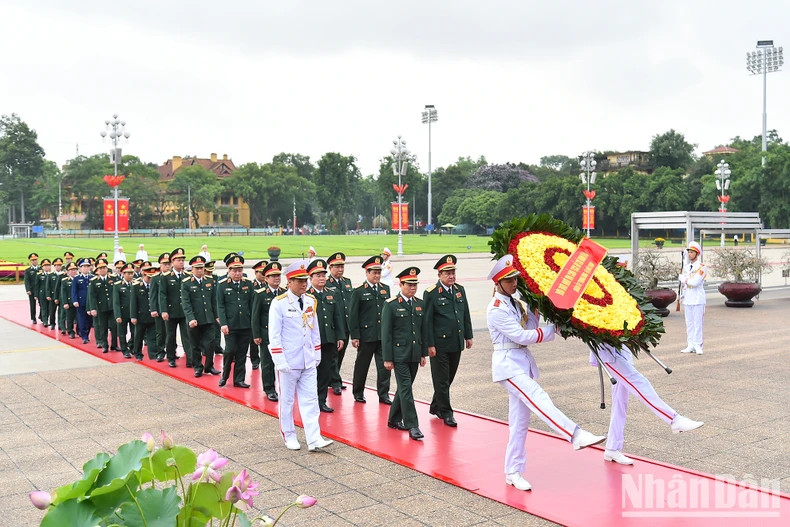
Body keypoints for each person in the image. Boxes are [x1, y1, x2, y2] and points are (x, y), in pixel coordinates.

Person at [486, 255, 606, 492]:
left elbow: (529, 327)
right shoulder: (496, 309)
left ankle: (513, 471)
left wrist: (535, 308)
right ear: (497, 283)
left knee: (519, 423)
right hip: (508, 365)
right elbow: (521, 336)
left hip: (521, 363)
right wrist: (552, 329)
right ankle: (575, 435)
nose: (514, 283)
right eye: (509, 280)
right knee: (538, 398)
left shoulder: (515, 303)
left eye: (515, 279)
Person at [591, 343, 704, 465]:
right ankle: (674, 419)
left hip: (620, 349)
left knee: (620, 401)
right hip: (607, 351)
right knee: (639, 382)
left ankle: (612, 448)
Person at [268, 260, 333, 452]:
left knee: (311, 400)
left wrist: (316, 353)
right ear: (289, 282)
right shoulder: (279, 303)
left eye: (305, 280)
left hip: (308, 359)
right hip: (288, 360)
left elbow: (314, 329)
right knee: (287, 401)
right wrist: (279, 360)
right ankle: (289, 435)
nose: (304, 284)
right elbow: (274, 335)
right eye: (299, 280)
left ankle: (314, 438)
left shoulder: (311, 301)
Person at [423, 255, 474, 427]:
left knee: (448, 378)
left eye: (453, 273)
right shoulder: (431, 293)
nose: (451, 276)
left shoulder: (460, 290)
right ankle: (446, 413)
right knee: (442, 380)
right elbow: (427, 322)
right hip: (440, 345)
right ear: (439, 275)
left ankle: (436, 406)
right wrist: (429, 344)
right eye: (447, 273)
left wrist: (468, 335)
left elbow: (465, 314)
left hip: (456, 342)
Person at [382, 267, 428, 440]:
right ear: (400, 285)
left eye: (415, 284)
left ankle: (394, 419)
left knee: (404, 389)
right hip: (399, 354)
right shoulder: (391, 305)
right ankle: (412, 425)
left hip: (414, 354)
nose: (413, 288)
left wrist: (423, 353)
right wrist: (387, 358)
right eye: (409, 285)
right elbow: (386, 334)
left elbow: (422, 331)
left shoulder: (419, 303)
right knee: (406, 388)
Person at [349, 255, 392, 404]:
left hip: (382, 336)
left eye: (379, 272)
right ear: (367, 273)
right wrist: (355, 335)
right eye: (374, 272)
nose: (377, 275)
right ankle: (358, 392)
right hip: (366, 335)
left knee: (384, 367)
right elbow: (353, 315)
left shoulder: (385, 289)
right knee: (362, 365)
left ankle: (384, 394)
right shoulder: (359, 291)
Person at [306, 259, 345, 413]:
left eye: (323, 275)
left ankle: (321, 401)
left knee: (325, 372)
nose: (322, 278)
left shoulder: (331, 293)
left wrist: (340, 336)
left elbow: (338, 316)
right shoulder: (306, 296)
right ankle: (309, 400)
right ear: (311, 278)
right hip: (311, 341)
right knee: (310, 373)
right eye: (318, 275)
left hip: (328, 339)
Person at [216, 254, 253, 388]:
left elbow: (252, 304)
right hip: (230, 325)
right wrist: (223, 323)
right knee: (229, 351)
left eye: (240, 270)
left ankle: (239, 379)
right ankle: (225, 375)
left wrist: (252, 323)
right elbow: (220, 306)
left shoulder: (248, 284)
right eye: (235, 271)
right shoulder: (222, 285)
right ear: (229, 270)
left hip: (245, 324)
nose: (237, 273)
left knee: (242, 353)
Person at [182, 255, 220, 377]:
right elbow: (186, 303)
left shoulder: (209, 281)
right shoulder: (186, 283)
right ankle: (198, 367)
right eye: (197, 268)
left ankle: (209, 366)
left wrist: (217, 316)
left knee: (210, 344)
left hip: (208, 318)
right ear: (192, 269)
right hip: (195, 319)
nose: (199, 270)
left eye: (201, 268)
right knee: (195, 345)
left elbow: (214, 301)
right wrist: (190, 318)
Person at [252, 261, 284, 401]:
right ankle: (269, 388)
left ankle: (284, 387)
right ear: (266, 278)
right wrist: (256, 334)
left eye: (278, 275)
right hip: (266, 334)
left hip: (282, 334)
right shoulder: (260, 294)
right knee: (267, 363)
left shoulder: (284, 293)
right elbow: (255, 316)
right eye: (273, 276)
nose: (276, 278)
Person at [159, 248, 193, 368]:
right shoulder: (166, 277)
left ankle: (190, 359)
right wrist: (164, 310)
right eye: (178, 260)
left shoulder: (187, 276)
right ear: (172, 262)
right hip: (171, 311)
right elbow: (162, 295)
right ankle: (171, 357)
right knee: (170, 336)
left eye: (182, 260)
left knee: (187, 336)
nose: (181, 262)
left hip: (184, 312)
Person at [679, 241, 707, 355]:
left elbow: (695, 282)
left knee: (698, 323)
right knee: (689, 323)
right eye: (689, 252)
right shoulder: (686, 267)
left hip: (697, 298)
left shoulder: (702, 267)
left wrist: (684, 279)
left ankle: (698, 345)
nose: (689, 254)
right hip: (688, 298)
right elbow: (686, 285)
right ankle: (690, 344)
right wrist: (682, 294)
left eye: (692, 252)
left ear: (697, 253)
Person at [130, 262, 159, 361]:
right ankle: (138, 353)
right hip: (141, 316)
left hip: (152, 316)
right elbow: (133, 302)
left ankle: (153, 354)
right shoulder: (136, 286)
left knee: (152, 337)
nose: (150, 279)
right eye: (148, 277)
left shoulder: (156, 285)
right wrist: (133, 316)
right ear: (144, 274)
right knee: (138, 336)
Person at [88, 258, 116, 353]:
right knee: (103, 328)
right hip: (101, 307)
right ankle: (105, 345)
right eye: (100, 268)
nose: (102, 270)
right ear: (97, 270)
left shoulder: (113, 278)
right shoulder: (94, 281)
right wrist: (93, 308)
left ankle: (114, 345)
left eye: (104, 268)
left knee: (114, 327)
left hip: (112, 307)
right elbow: (92, 296)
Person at [148, 253, 170, 362]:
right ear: (160, 265)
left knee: (171, 332)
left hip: (172, 309)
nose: (167, 266)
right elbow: (152, 295)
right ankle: (160, 351)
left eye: (169, 264)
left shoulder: (173, 277)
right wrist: (153, 309)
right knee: (161, 332)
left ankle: (171, 351)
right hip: (160, 309)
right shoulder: (156, 278)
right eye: (165, 264)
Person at [112, 263, 137, 358]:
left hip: (133, 312)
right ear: (123, 274)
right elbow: (116, 302)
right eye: (128, 273)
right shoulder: (118, 285)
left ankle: (132, 347)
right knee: (122, 333)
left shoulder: (135, 284)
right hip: (123, 312)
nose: (130, 275)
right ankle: (124, 350)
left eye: (132, 273)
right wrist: (117, 315)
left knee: (135, 332)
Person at [248, 260, 268, 370]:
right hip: (253, 315)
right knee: (253, 340)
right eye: (261, 272)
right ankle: (254, 360)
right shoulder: (251, 285)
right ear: (255, 273)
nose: (263, 275)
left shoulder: (267, 285)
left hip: (264, 316)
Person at [72, 258, 94, 344]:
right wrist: (75, 300)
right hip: (81, 302)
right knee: (82, 320)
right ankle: (84, 336)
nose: (86, 268)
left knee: (89, 321)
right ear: (80, 268)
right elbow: (74, 291)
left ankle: (87, 334)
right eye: (84, 267)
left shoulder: (92, 277)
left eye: (87, 266)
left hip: (91, 303)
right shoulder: (77, 278)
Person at [60, 262, 78, 339]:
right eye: (71, 270)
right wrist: (65, 303)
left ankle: (79, 330)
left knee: (80, 318)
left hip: (79, 302)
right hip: (70, 302)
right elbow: (63, 293)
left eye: (75, 270)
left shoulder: (79, 279)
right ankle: (70, 331)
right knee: (70, 318)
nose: (73, 271)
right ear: (68, 271)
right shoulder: (65, 281)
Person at [36, 259, 55, 329]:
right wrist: (36, 295)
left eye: (48, 265)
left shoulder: (52, 275)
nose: (47, 267)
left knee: (49, 308)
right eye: (45, 266)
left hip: (50, 294)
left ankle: (46, 319)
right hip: (42, 293)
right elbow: (37, 285)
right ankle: (45, 321)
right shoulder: (39, 275)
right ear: (42, 267)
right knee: (44, 307)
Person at [24, 253, 41, 324]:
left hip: (40, 290)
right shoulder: (28, 270)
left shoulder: (41, 269)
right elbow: (26, 281)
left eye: (36, 260)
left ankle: (41, 316)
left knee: (42, 304)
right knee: (32, 304)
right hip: (32, 290)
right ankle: (33, 318)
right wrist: (28, 289)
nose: (34, 261)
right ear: (30, 261)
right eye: (33, 260)